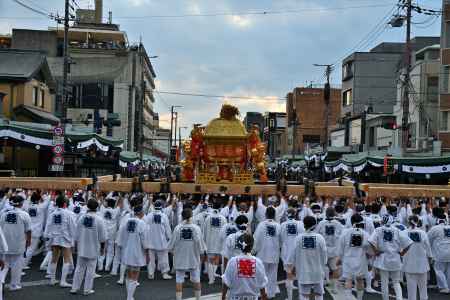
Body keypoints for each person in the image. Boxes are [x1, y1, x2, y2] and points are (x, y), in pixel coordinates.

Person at [369, 214, 413, 300]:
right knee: (396, 282)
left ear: (383, 220)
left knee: (384, 283)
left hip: (383, 258)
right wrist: (402, 253)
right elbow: (409, 243)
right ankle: (399, 298)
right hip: (395, 258)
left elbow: (371, 241)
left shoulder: (378, 230)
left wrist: (376, 251)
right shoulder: (397, 230)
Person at [168, 207, 206, 300]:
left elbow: (171, 245)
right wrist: (202, 254)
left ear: (182, 216)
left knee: (179, 280)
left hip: (180, 257)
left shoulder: (177, 228)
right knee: (196, 280)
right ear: (191, 216)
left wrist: (173, 252)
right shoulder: (196, 228)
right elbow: (200, 244)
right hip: (193, 257)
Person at [286, 216, 327, 300]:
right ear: (315, 225)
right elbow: (324, 255)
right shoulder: (320, 238)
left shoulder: (298, 238)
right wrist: (323, 265)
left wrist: (291, 266)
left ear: (304, 225)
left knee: (304, 295)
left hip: (303, 271)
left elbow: (292, 254)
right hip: (317, 270)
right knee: (319, 293)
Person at [71, 199, 106, 295]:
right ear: (97, 208)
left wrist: (75, 245)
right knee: (91, 269)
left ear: (87, 206)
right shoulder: (99, 219)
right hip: (93, 246)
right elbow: (103, 237)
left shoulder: (81, 218)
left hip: (82, 246)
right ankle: (87, 289)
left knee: (79, 268)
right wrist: (103, 248)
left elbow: (76, 234)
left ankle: (74, 288)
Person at [117, 205, 150, 300]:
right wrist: (147, 254)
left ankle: (129, 296)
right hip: (137, 252)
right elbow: (145, 242)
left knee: (129, 274)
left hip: (126, 251)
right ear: (141, 213)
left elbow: (120, 238)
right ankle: (129, 297)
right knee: (135, 275)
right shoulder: (142, 223)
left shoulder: (125, 222)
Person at [221, 233, 268, 300]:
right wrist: (264, 297)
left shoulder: (232, 261)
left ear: (239, 245)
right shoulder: (258, 262)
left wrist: (223, 297)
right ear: (252, 246)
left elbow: (226, 282)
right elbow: (262, 285)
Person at [0, 195, 31, 291]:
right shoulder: (24, 215)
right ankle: (14, 285)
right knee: (16, 265)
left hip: (4, 243)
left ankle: (1, 281)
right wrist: (29, 241)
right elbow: (28, 230)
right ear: (21, 203)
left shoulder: (4, 214)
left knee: (4, 265)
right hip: (18, 243)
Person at [44, 194, 76, 287]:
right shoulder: (69, 213)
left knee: (54, 259)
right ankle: (63, 281)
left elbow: (48, 226)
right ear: (65, 204)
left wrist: (46, 236)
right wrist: (74, 239)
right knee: (66, 259)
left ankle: (52, 279)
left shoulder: (53, 213)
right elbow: (73, 227)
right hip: (65, 238)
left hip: (54, 237)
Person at [337, 213, 371, 300]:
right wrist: (370, 260)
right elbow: (369, 249)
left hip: (348, 259)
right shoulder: (365, 234)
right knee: (360, 280)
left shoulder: (345, 233)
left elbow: (341, 247)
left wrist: (340, 258)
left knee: (348, 280)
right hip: (361, 260)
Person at [402, 215, 433, 300]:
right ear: (418, 222)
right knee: (423, 289)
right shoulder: (423, 233)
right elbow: (428, 248)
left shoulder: (404, 233)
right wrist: (430, 258)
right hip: (422, 264)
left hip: (409, 263)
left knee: (411, 291)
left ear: (408, 222)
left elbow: (400, 248)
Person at [253, 206, 282, 299]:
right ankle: (270, 294)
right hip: (274, 254)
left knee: (261, 275)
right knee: (272, 276)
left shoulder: (261, 225)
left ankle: (260, 294)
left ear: (265, 214)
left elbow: (256, 239)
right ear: (274, 215)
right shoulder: (278, 226)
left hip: (262, 253)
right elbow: (281, 241)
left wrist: (254, 251)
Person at [315, 206, 344, 293]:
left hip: (324, 248)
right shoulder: (338, 224)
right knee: (335, 268)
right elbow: (342, 236)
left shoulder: (321, 223)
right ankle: (335, 287)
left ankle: (326, 281)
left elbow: (317, 234)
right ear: (334, 213)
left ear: (326, 213)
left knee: (323, 266)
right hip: (334, 249)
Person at [144, 199, 172, 280]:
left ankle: (151, 274)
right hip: (161, 241)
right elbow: (168, 229)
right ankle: (164, 273)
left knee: (151, 259)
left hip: (150, 241)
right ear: (162, 206)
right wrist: (169, 239)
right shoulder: (164, 216)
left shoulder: (149, 215)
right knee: (163, 258)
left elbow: (145, 228)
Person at [280, 207, 304, 300]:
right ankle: (302, 297)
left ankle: (289, 298)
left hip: (287, 253)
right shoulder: (301, 224)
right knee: (300, 275)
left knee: (288, 274)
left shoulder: (283, 225)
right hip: (298, 252)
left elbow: (281, 239)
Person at [202, 200, 227, 284]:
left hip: (209, 242)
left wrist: (204, 242)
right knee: (216, 260)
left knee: (210, 261)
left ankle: (211, 279)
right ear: (220, 207)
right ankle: (213, 276)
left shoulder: (208, 218)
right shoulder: (223, 218)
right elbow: (225, 232)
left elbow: (204, 231)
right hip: (219, 243)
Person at [24, 191, 49, 269]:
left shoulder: (27, 206)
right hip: (36, 231)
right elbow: (48, 200)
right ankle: (23, 264)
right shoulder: (40, 207)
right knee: (31, 249)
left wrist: (31, 195)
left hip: (28, 230)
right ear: (38, 200)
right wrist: (42, 194)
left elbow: (27, 200)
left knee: (27, 248)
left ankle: (24, 262)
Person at [427, 213, 450, 294]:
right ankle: (447, 286)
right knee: (448, 270)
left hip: (440, 252)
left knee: (439, 270)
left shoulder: (435, 228)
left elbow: (427, 239)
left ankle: (444, 287)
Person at [98, 196, 121, 272]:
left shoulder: (102, 209)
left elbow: (101, 203)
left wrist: (101, 198)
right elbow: (119, 205)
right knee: (110, 250)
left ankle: (100, 266)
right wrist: (119, 197)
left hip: (104, 232)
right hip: (112, 233)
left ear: (107, 204)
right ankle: (107, 266)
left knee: (102, 248)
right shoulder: (116, 211)